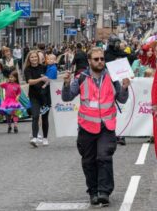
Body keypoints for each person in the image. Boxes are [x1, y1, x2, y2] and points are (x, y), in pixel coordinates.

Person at [62, 47, 130, 207]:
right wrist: (66, 84)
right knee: (89, 161)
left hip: (107, 126)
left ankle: (104, 192)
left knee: (104, 157)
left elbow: (122, 99)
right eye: (96, 59)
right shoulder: (81, 78)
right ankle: (93, 192)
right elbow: (67, 97)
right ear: (89, 61)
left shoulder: (112, 77)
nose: (100, 61)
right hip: (86, 127)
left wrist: (125, 87)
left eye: (102, 59)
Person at [24, 51, 50, 147]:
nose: (34, 59)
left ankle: (45, 138)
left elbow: (51, 78)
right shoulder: (28, 69)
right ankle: (34, 137)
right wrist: (41, 79)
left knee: (44, 118)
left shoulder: (44, 67)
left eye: (35, 57)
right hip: (34, 96)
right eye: (32, 57)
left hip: (45, 96)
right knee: (35, 116)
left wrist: (47, 80)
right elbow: (30, 81)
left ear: (38, 58)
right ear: (29, 59)